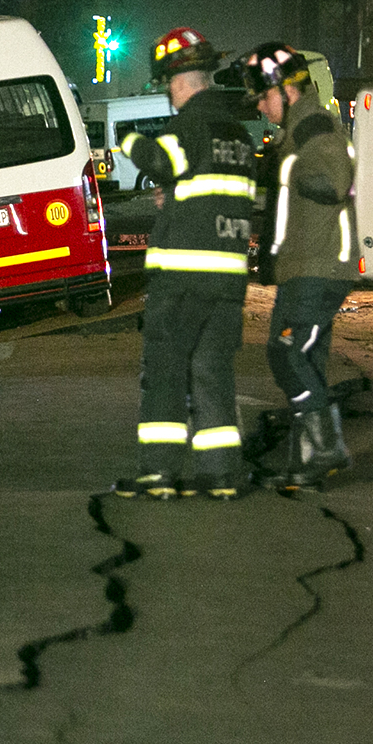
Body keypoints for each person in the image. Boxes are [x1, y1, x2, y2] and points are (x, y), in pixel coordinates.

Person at [111, 27, 258, 500]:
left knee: (166, 373)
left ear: (179, 82)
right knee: (213, 372)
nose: (168, 95)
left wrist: (127, 140)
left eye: (167, 85)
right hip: (227, 280)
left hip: (181, 280)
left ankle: (159, 473)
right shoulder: (237, 136)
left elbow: (158, 159)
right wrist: (174, 198)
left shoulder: (187, 127)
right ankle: (222, 474)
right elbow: (213, 193)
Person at [235, 42, 360, 491]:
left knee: (286, 352)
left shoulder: (313, 126)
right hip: (307, 266)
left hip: (318, 266)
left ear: (286, 90)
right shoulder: (296, 129)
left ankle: (325, 447)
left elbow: (332, 181)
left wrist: (287, 171)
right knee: (306, 358)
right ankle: (309, 460)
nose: (262, 111)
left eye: (264, 99)